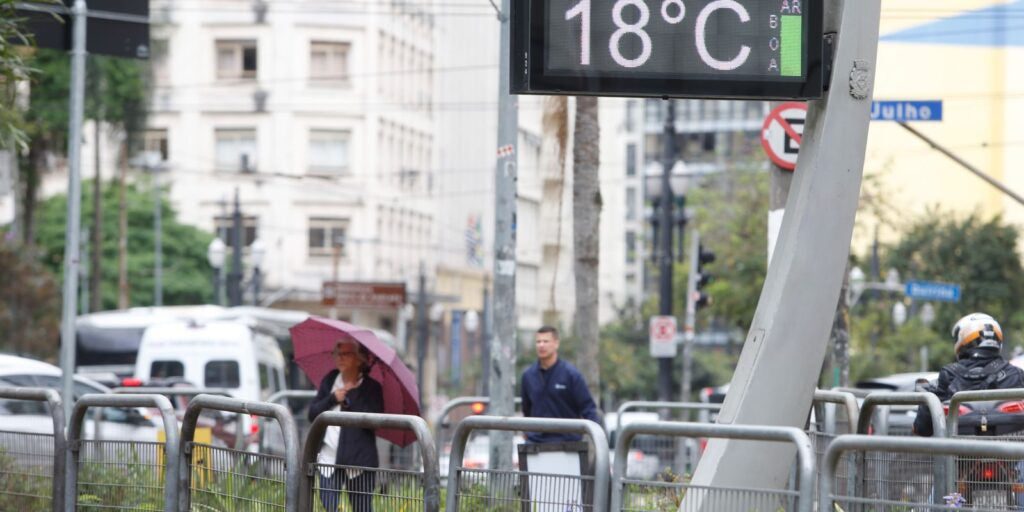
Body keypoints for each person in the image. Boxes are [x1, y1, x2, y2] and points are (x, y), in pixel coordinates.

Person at [914, 312, 1024, 437]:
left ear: (964, 339)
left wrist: (926, 396)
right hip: (1011, 454)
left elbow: (922, 429)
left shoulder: (949, 374)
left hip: (959, 454)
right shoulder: (1015, 374)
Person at [308, 339, 383, 512]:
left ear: (360, 359)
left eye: (346, 354)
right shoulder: (330, 380)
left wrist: (352, 393)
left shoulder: (372, 388)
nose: (340, 358)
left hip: (360, 460)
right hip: (329, 457)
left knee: (362, 508)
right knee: (328, 506)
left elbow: (373, 420)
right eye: (337, 353)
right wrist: (333, 398)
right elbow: (312, 413)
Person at [520, 326, 602, 443]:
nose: (541, 345)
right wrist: (527, 432)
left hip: (567, 444)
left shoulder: (571, 374)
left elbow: (588, 408)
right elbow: (526, 410)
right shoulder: (528, 375)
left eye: (546, 341)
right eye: (538, 342)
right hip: (536, 443)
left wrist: (597, 438)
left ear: (556, 344)